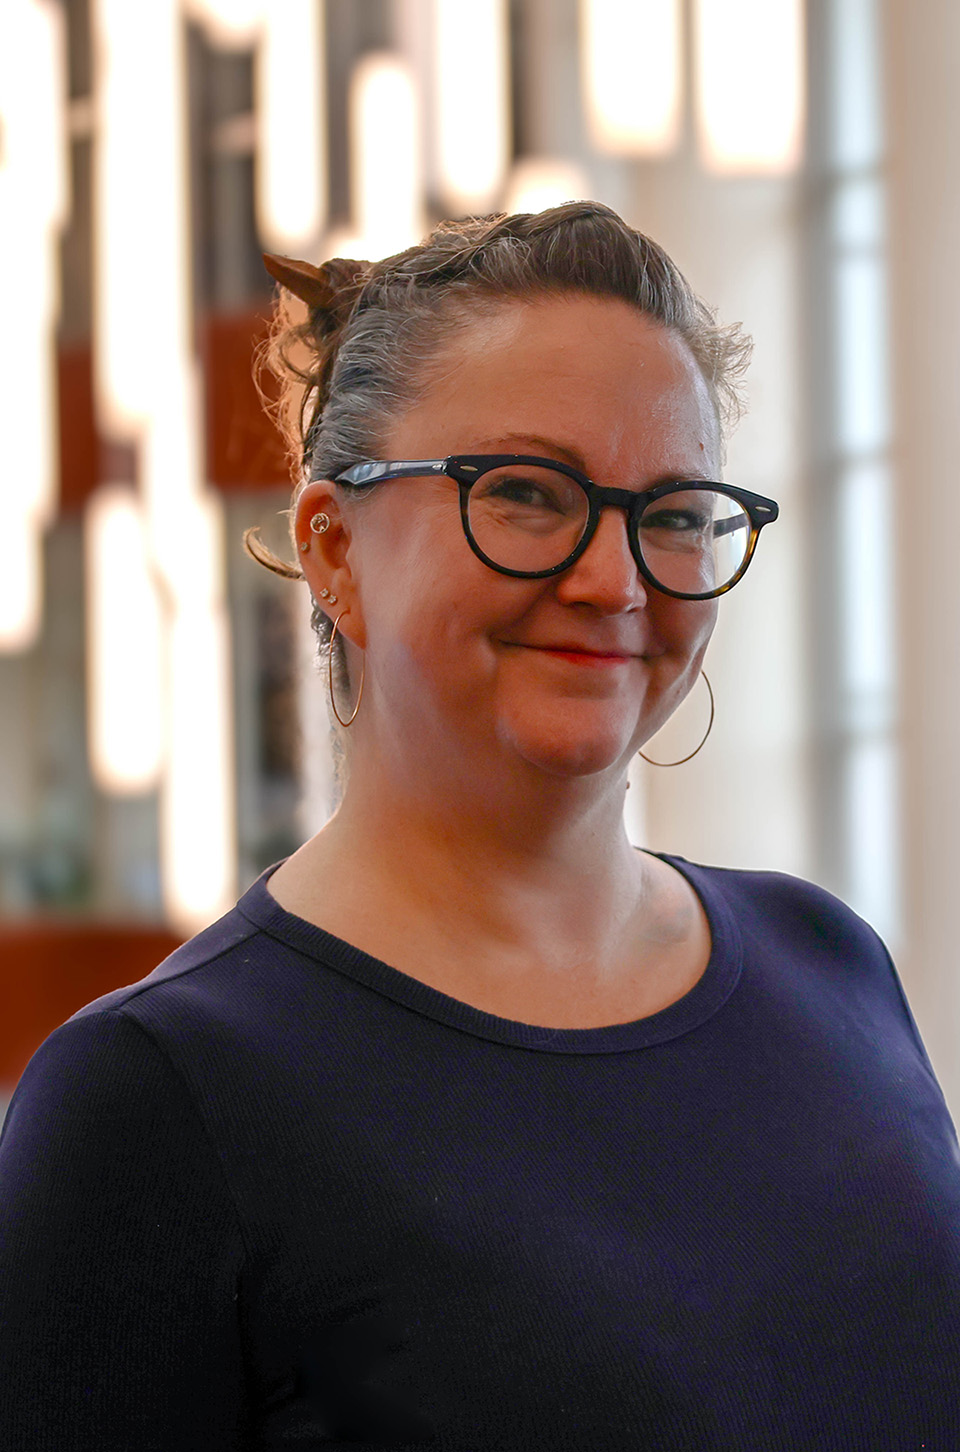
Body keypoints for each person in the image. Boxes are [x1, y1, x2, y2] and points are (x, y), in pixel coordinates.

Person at [1, 202, 959, 1450]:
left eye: (671, 513)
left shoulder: (828, 959)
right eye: (525, 493)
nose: (615, 579)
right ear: (333, 547)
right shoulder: (155, 1099)